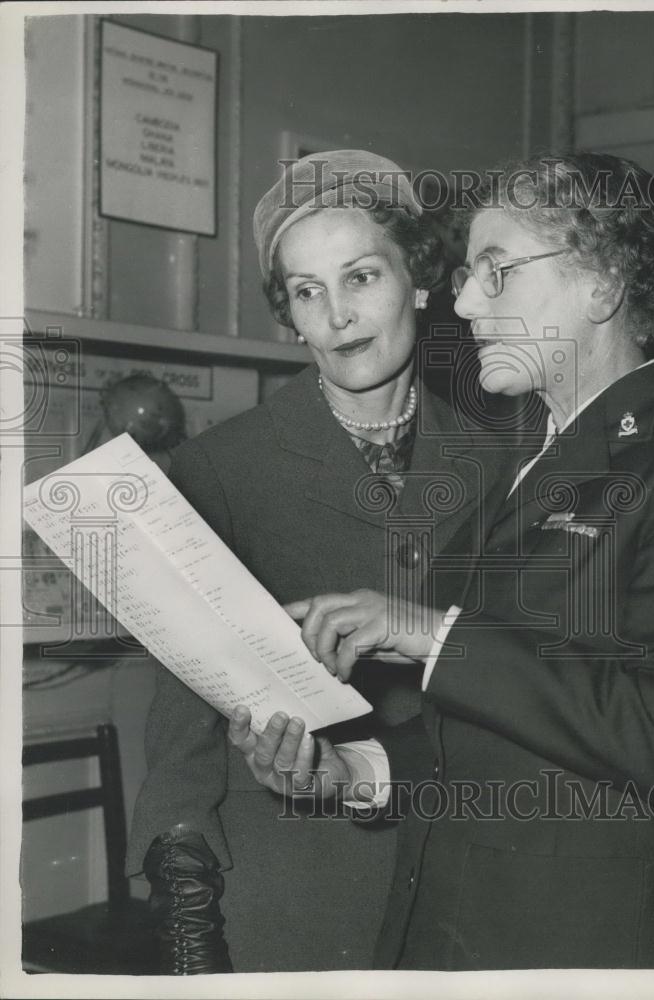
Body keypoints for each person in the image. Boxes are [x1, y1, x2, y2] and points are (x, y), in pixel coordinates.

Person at [229, 152, 654, 969]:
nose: (460, 302)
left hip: (592, 949)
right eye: (462, 275)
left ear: (602, 284)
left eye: (496, 273)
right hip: (458, 933)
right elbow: (493, 743)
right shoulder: (526, 462)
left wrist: (433, 634)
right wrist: (351, 773)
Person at [126, 150, 509, 973]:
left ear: (419, 281)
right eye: (307, 292)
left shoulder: (500, 461)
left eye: (361, 277)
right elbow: (182, 718)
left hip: (462, 874)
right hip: (294, 884)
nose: (337, 316)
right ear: (290, 316)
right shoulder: (225, 466)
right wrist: (185, 882)